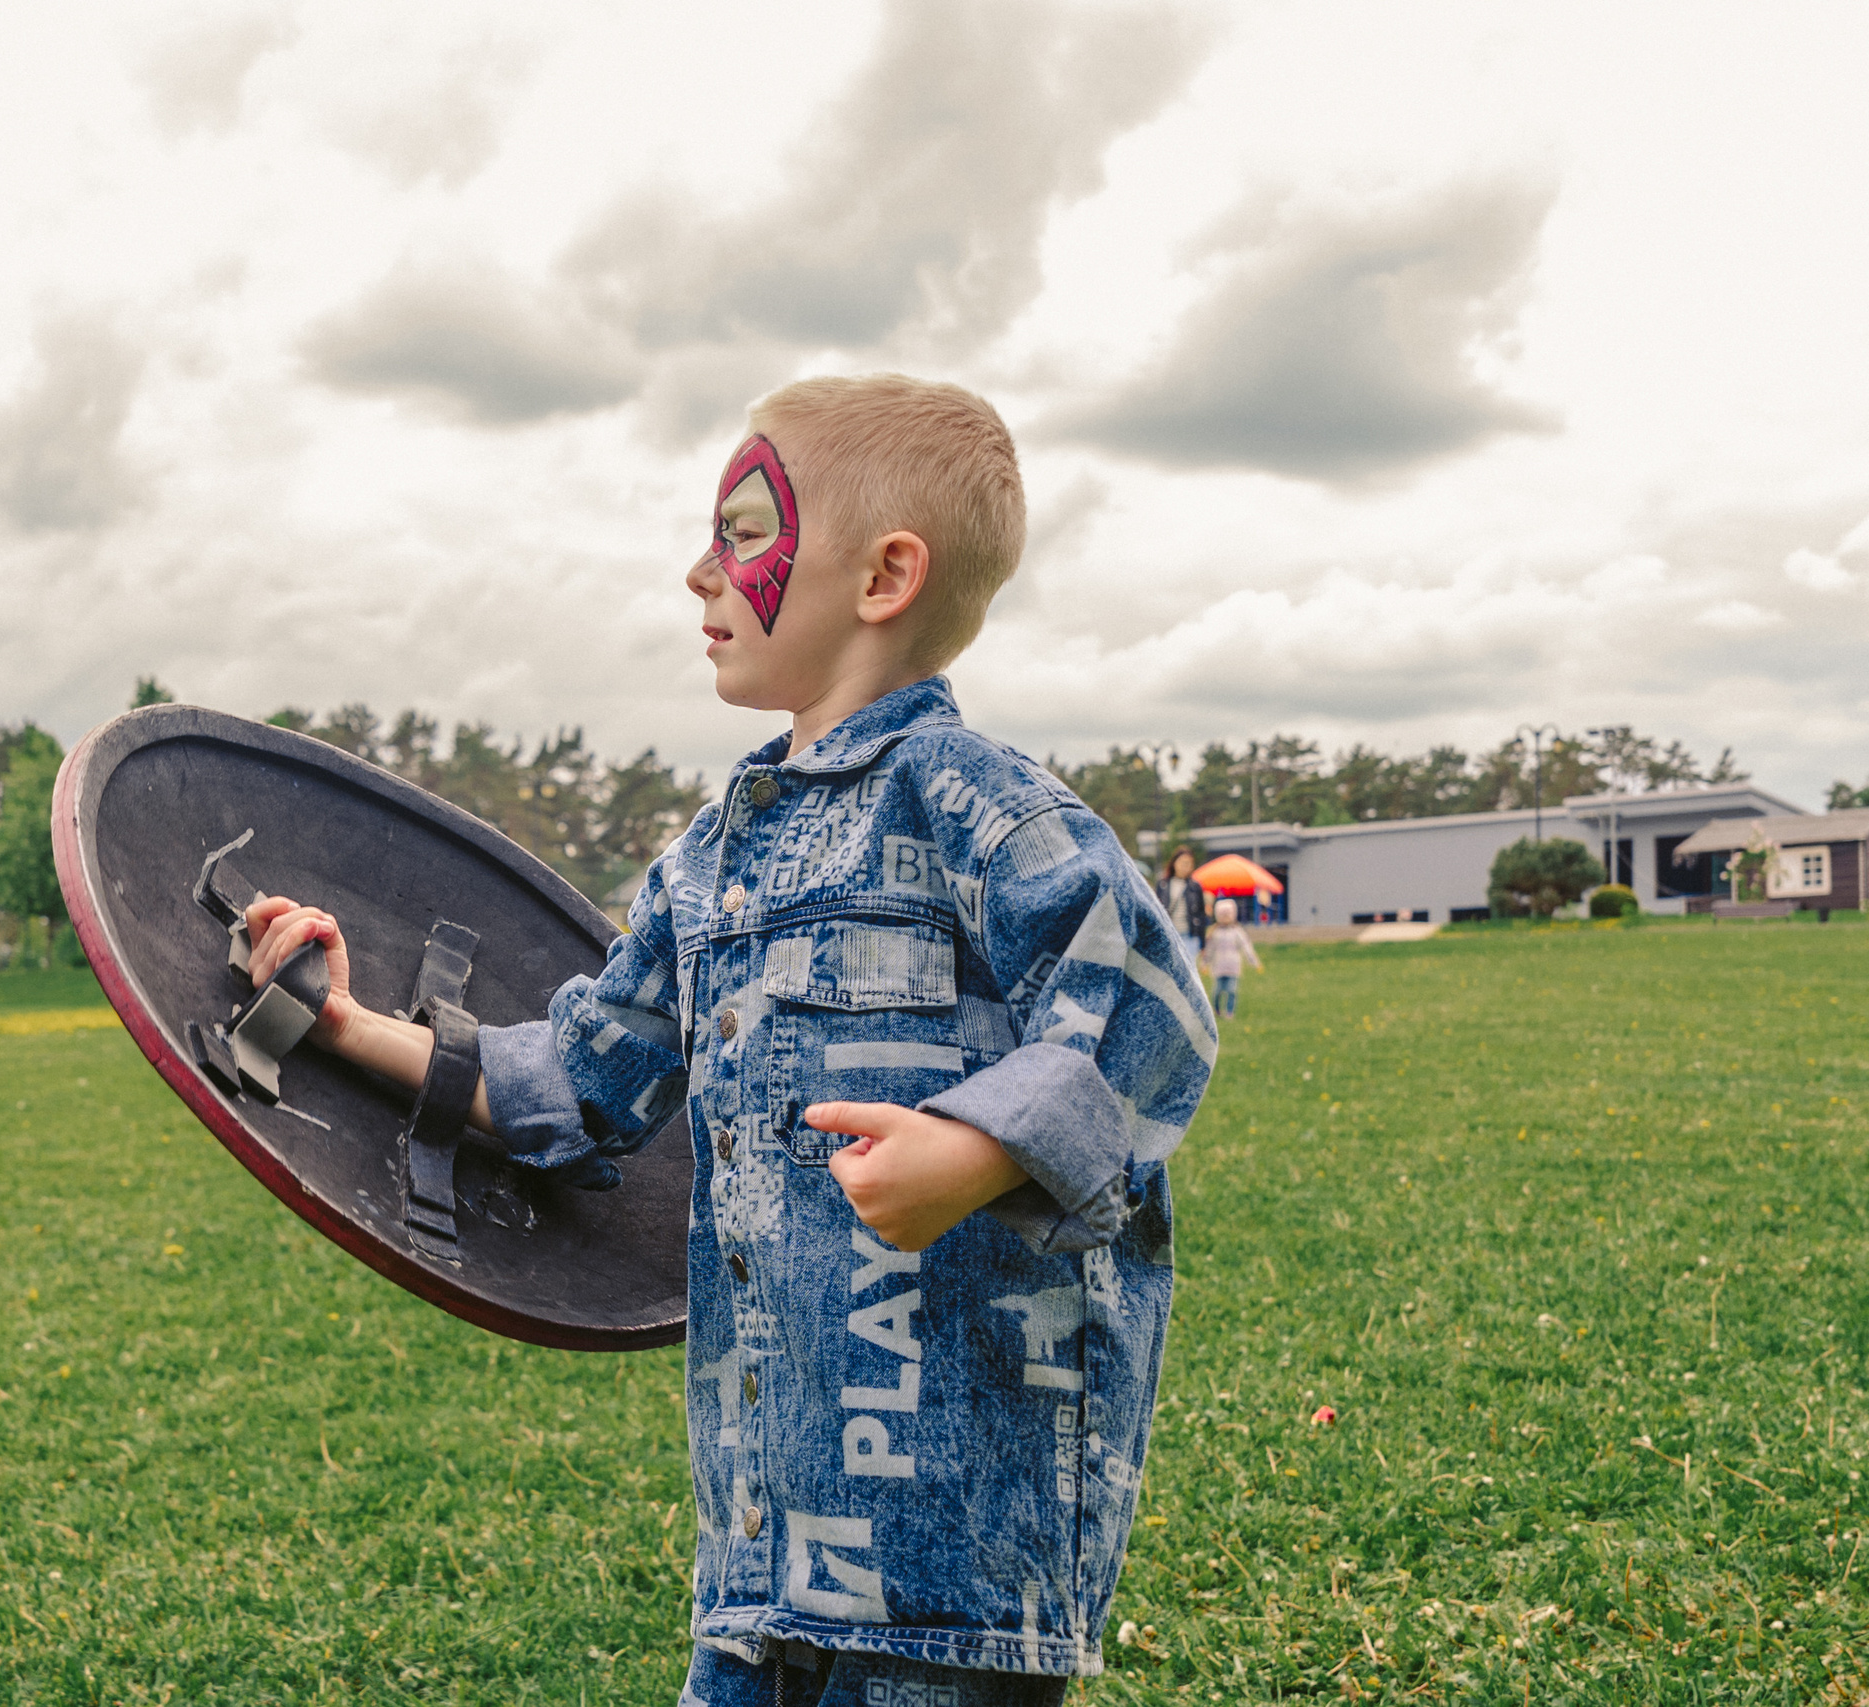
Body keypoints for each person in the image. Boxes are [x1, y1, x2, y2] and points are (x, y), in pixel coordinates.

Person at [244, 375, 1217, 1706]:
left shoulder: (978, 804)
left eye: (745, 532)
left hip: (954, 1561)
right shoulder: (711, 861)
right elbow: (578, 1081)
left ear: (884, 575)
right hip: (760, 1545)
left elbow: (1153, 1005)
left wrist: (979, 1146)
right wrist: (355, 1028)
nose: (701, 572)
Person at [1199, 898, 1262, 1018]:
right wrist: (1204, 963)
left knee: (1232, 991)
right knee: (1217, 991)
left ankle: (1229, 1012)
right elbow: (1209, 950)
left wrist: (1254, 961)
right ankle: (1216, 1010)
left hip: (1233, 966)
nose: (1225, 918)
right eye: (1222, 915)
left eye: (1228, 915)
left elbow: (1246, 946)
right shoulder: (1214, 933)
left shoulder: (1237, 931)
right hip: (1218, 967)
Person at [1161, 846, 1208, 971]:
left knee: (1188, 971)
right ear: (1174, 863)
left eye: (1189, 864)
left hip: (1189, 935)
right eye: (1182, 863)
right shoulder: (1163, 885)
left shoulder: (1195, 887)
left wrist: (1203, 944)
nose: (1185, 866)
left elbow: (1201, 915)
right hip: (1169, 935)